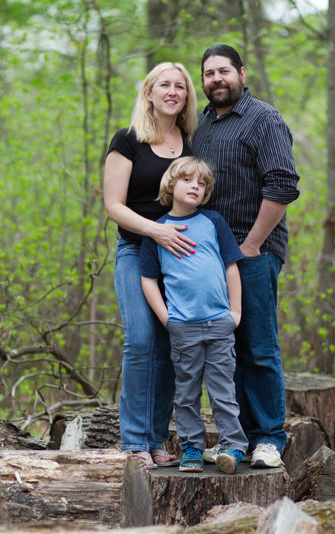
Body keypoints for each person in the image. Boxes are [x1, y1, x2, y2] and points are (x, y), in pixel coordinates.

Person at [191, 44, 300, 469]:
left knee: (257, 346)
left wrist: (252, 244)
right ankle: (236, 440)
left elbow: (284, 185)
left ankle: (270, 437)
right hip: (209, 259)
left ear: (241, 72)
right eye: (208, 74)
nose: (216, 79)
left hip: (253, 252)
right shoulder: (202, 125)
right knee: (224, 350)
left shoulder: (263, 119)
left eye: (223, 71)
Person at [103, 62, 199, 468]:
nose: (172, 91)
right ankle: (134, 442)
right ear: (149, 92)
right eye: (165, 84)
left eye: (180, 86)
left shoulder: (193, 141)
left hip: (178, 259)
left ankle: (158, 439)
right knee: (141, 341)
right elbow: (113, 205)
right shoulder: (128, 140)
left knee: (169, 346)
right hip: (135, 252)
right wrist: (155, 231)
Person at [139, 157, 248, 474]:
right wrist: (166, 319)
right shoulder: (158, 231)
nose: (196, 187)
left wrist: (236, 311)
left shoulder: (214, 222)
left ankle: (232, 447)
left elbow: (231, 266)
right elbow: (148, 279)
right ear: (172, 184)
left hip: (219, 324)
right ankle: (190, 450)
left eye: (202, 184)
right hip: (182, 327)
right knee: (185, 393)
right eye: (188, 180)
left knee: (223, 392)